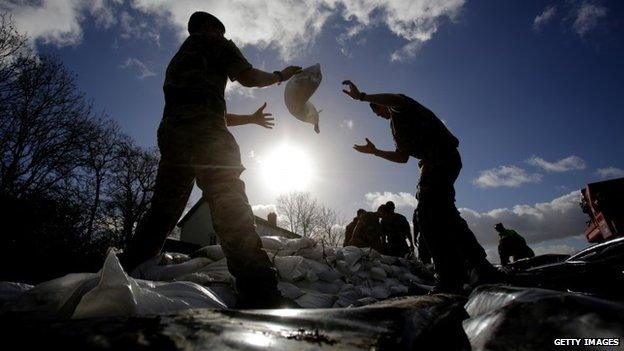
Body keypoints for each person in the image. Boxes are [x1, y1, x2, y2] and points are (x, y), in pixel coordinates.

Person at [123, 12, 303, 309]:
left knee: (163, 212)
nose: (222, 35)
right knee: (228, 198)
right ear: (211, 28)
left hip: (173, 136)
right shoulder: (215, 42)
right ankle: (259, 290)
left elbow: (204, 110)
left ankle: (123, 272)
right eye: (220, 31)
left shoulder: (178, 60)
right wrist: (281, 75)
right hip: (207, 135)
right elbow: (248, 77)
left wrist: (251, 119)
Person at [342, 80, 500, 294]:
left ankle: (450, 278)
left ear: (382, 105)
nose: (378, 115)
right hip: (435, 162)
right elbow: (401, 157)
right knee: (445, 215)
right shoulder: (396, 127)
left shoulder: (401, 108)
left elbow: (395, 98)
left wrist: (363, 97)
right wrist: (375, 151)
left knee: (428, 214)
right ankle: (478, 267)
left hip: (440, 158)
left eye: (377, 110)